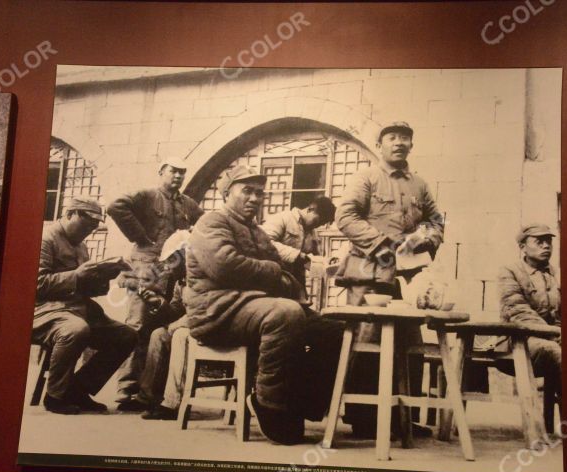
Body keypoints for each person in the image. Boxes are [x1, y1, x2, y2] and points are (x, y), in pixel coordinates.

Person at [185, 165, 335, 445]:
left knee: (331, 328)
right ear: (227, 194)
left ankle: (300, 403)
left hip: (251, 306)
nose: (255, 198)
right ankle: (267, 400)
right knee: (286, 313)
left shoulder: (257, 231)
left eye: (259, 194)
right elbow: (224, 266)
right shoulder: (212, 222)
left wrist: (285, 281)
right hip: (217, 310)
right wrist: (274, 273)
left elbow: (282, 271)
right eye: (247, 191)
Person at [335, 121, 444, 438]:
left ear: (412, 145)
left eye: (405, 138)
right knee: (368, 342)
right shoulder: (366, 177)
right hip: (370, 273)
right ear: (380, 144)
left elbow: (437, 220)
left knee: (409, 344)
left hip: (407, 277)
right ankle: (364, 419)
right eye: (392, 137)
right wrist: (384, 244)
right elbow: (345, 217)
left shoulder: (420, 185)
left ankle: (402, 417)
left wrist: (426, 240)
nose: (399, 142)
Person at [107, 157, 204, 411]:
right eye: (173, 171)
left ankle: (150, 391)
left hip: (172, 272)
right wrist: (141, 236)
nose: (178, 177)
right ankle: (126, 390)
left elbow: (206, 226)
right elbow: (116, 206)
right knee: (137, 326)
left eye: (182, 173)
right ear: (161, 171)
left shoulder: (188, 205)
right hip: (145, 269)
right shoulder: (147, 195)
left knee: (159, 328)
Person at [32, 197, 137, 415]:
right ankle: (55, 396)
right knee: (75, 330)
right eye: (86, 226)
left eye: (92, 228)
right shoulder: (44, 239)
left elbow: (86, 289)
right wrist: (77, 275)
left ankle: (78, 390)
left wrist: (106, 275)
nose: (88, 232)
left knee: (126, 336)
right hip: (42, 309)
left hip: (76, 308)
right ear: (70, 214)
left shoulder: (80, 245)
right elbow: (35, 285)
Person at [496, 224, 562, 410]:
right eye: (539, 242)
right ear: (523, 247)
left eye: (548, 241)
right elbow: (518, 311)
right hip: (518, 341)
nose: (546, 246)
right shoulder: (509, 272)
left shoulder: (558, 274)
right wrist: (555, 333)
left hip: (555, 338)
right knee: (559, 353)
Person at [261, 196, 336, 286]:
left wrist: (328, 262)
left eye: (321, 224)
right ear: (310, 209)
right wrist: (297, 255)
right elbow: (264, 243)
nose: (318, 226)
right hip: (271, 275)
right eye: (318, 221)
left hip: (294, 281)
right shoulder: (283, 218)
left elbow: (314, 259)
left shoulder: (312, 233)